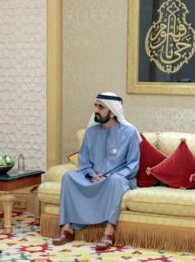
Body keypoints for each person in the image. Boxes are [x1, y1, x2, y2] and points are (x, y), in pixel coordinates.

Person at [53, 92, 141, 251]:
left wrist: (107, 176)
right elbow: (84, 161)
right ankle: (67, 228)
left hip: (119, 178)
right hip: (93, 177)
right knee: (68, 177)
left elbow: (133, 165)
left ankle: (109, 231)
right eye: (96, 105)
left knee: (115, 181)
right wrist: (92, 175)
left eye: (101, 107)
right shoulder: (91, 132)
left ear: (113, 112)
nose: (96, 110)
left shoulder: (130, 133)